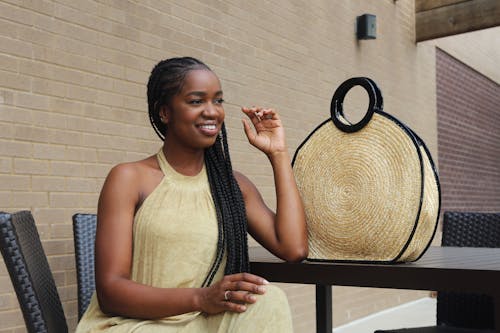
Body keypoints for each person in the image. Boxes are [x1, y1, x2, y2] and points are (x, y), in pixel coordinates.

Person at [75, 57, 308, 332]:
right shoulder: (128, 178)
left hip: (201, 323)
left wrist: (278, 154)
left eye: (218, 101)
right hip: (136, 325)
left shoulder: (233, 186)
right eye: (196, 101)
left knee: (270, 301)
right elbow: (111, 292)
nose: (212, 111)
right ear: (165, 112)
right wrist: (201, 297)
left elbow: (293, 248)